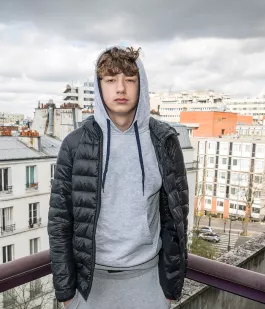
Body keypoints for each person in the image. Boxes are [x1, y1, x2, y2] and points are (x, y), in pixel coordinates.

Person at [48, 46, 189, 309]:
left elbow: (176, 218)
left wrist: (170, 286)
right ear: (99, 86)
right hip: (90, 286)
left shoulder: (164, 141)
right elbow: (60, 221)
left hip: (148, 282)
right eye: (111, 80)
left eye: (130, 80)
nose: (121, 88)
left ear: (141, 85)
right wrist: (66, 292)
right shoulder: (75, 145)